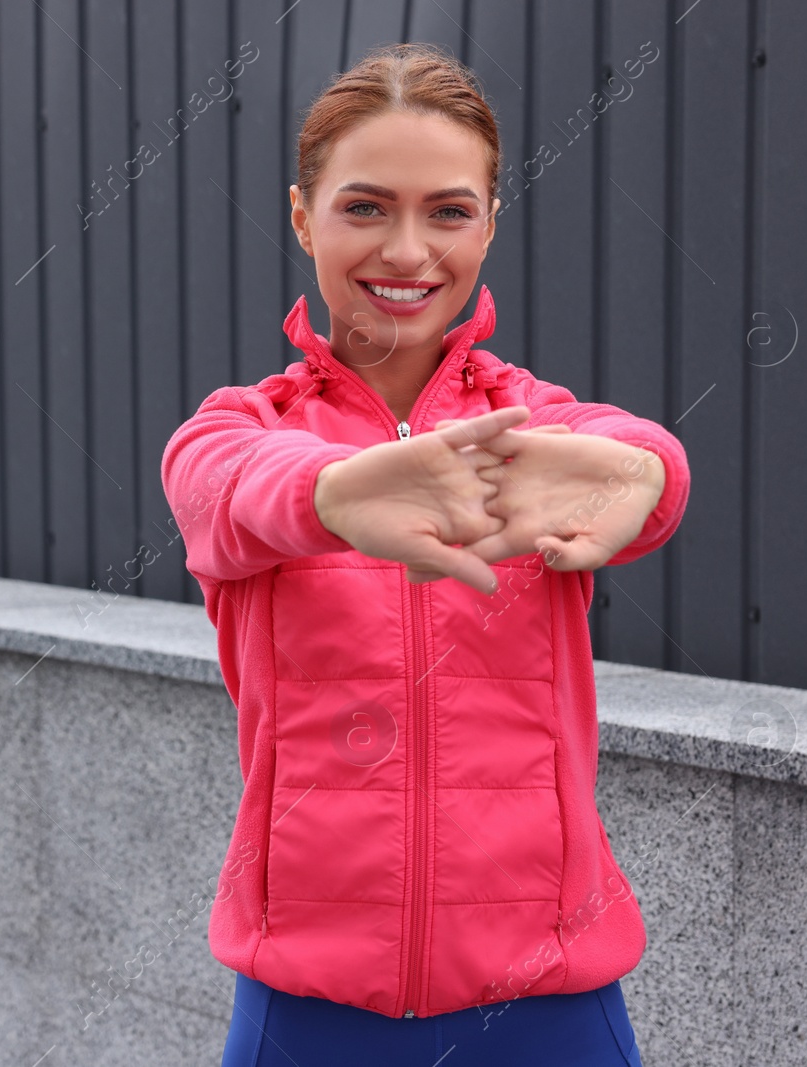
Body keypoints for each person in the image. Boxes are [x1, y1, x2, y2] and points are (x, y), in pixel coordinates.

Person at [159, 42, 691, 1066]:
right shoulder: (245, 429)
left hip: (547, 1005)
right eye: (364, 207)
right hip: (308, 1010)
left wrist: (649, 476)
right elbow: (220, 487)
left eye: (447, 211)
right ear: (302, 214)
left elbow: (639, 459)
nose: (407, 251)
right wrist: (332, 492)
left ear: (489, 222)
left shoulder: (533, 425)